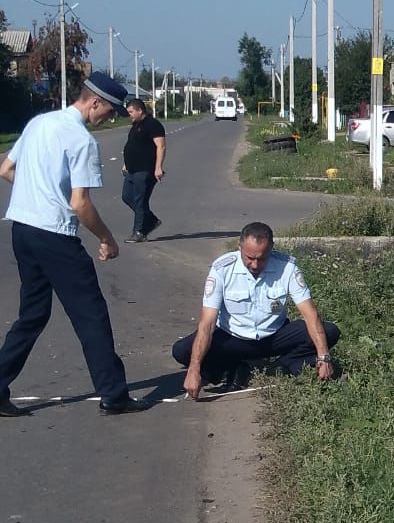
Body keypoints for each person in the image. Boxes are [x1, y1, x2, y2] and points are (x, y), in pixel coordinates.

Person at [0, 73, 152, 417]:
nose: (110, 117)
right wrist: (107, 239)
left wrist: (37, 194)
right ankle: (114, 394)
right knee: (90, 315)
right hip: (55, 236)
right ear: (93, 102)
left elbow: (6, 168)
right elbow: (80, 204)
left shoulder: (40, 123)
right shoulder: (82, 142)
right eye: (110, 111)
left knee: (33, 314)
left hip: (22, 229)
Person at [172, 222, 341, 399]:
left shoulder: (287, 268)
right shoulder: (222, 269)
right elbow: (207, 323)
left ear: (271, 249)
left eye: (261, 258)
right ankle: (231, 368)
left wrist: (324, 357)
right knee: (183, 351)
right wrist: (194, 368)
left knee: (329, 331)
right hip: (233, 337)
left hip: (274, 336)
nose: (254, 264)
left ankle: (282, 365)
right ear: (239, 248)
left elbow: (310, 314)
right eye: (249, 258)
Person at [120, 98, 166, 243]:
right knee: (127, 197)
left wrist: (158, 167)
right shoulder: (135, 125)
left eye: (131, 112)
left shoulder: (153, 125)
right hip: (132, 170)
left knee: (140, 201)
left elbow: (161, 146)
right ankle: (151, 220)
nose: (130, 115)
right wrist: (125, 164)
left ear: (140, 110)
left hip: (145, 170)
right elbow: (131, 145)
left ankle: (139, 232)